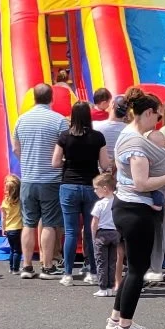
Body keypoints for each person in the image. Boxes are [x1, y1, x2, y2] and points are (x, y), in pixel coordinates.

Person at [108, 91, 165, 329]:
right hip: (136, 208)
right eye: (157, 116)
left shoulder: (126, 135)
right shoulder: (136, 143)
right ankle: (126, 326)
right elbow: (141, 182)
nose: (157, 122)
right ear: (147, 113)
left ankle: (116, 318)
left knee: (132, 267)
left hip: (124, 205)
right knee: (138, 269)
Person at [14, 81, 68, 276]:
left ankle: (27, 265)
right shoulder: (59, 120)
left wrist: (26, 162)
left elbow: (16, 148)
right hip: (51, 179)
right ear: (51, 98)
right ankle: (47, 265)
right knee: (49, 223)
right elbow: (65, 148)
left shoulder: (21, 120)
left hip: (28, 178)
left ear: (34, 98)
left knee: (28, 223)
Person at [53, 99, 107, 285]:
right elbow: (105, 164)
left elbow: (55, 162)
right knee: (91, 230)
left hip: (68, 185)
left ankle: (67, 273)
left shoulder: (64, 136)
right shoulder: (98, 137)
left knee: (70, 231)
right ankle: (92, 271)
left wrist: (68, 161)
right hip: (91, 186)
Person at [91, 172, 118, 295]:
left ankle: (103, 288)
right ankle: (111, 287)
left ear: (105, 189)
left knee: (101, 262)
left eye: (96, 188)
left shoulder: (100, 204)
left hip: (102, 234)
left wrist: (93, 236)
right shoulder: (118, 201)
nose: (95, 191)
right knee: (112, 262)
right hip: (115, 233)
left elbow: (94, 222)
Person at [1, 173, 23, 273]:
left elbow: (3, 218)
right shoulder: (20, 201)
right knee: (18, 250)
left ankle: (11, 267)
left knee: (12, 249)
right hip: (18, 228)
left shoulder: (5, 202)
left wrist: (3, 228)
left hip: (9, 229)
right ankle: (16, 269)